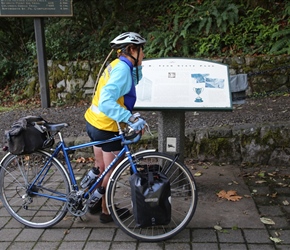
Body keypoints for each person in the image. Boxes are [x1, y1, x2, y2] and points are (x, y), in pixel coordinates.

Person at [84, 32, 147, 223]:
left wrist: (130, 115)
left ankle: (94, 201)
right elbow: (106, 101)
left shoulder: (117, 64)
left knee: (101, 166)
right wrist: (129, 117)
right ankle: (106, 211)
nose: (144, 55)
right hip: (105, 126)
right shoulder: (122, 70)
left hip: (94, 121)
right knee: (111, 171)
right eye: (142, 51)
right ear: (133, 50)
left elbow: (117, 96)